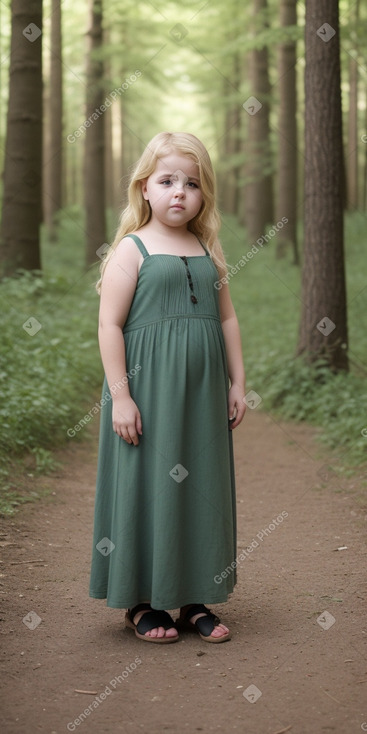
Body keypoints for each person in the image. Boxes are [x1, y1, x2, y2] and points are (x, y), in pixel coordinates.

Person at [89, 131, 246, 644]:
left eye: (192, 183)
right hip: (146, 394)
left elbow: (226, 319)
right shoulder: (131, 250)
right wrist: (122, 396)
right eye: (167, 180)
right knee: (147, 485)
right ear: (145, 189)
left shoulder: (207, 247)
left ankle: (194, 596)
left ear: (204, 195)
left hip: (200, 397)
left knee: (201, 486)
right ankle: (142, 602)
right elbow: (109, 325)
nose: (180, 191)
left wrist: (237, 382)